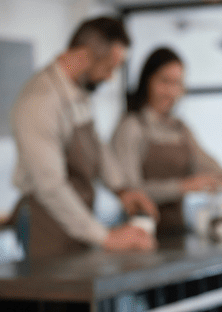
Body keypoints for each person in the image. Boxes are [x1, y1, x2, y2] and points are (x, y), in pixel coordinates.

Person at [10, 16, 158, 259]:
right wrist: (106, 237)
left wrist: (122, 190)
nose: (109, 77)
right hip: (45, 224)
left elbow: (96, 147)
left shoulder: (78, 94)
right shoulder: (40, 101)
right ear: (83, 56)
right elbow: (50, 186)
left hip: (77, 224)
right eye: (108, 67)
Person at [111, 47, 222, 237]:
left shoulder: (180, 129)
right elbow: (131, 190)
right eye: (164, 81)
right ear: (147, 81)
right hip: (139, 233)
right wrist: (184, 187)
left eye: (177, 83)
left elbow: (206, 164)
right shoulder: (132, 127)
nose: (170, 91)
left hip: (177, 232)